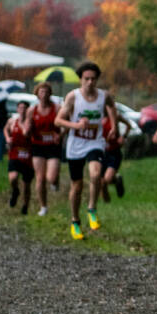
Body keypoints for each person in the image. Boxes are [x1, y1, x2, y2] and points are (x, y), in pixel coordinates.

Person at [56, 61, 119, 241]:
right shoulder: (73, 97)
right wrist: (75, 125)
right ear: (81, 80)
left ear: (97, 80)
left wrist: (114, 126)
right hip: (76, 144)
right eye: (86, 79)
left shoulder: (103, 96)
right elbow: (58, 121)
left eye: (93, 79)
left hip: (94, 142)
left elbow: (112, 107)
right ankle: (75, 221)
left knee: (96, 173)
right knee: (77, 186)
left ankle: (92, 208)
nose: (90, 82)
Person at [28, 82, 63, 216]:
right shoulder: (32, 110)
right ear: (37, 94)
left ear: (50, 93)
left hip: (53, 147)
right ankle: (43, 206)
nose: (44, 94)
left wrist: (60, 135)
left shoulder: (57, 108)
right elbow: (27, 128)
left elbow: (64, 125)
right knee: (40, 178)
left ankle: (55, 180)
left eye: (46, 92)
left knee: (51, 178)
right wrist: (28, 129)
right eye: (41, 92)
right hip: (38, 146)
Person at [4, 100, 34, 214]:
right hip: (15, 154)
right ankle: (15, 190)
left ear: (28, 110)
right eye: (20, 108)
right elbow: (5, 129)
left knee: (27, 185)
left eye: (24, 108)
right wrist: (8, 138)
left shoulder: (31, 123)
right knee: (13, 177)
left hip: (28, 157)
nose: (22, 110)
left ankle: (25, 206)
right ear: (17, 109)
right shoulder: (12, 121)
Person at [99, 107, 132, 203]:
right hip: (101, 153)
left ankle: (115, 179)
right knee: (102, 183)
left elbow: (128, 125)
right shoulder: (96, 118)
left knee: (107, 179)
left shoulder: (115, 116)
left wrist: (123, 137)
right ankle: (107, 206)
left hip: (114, 152)